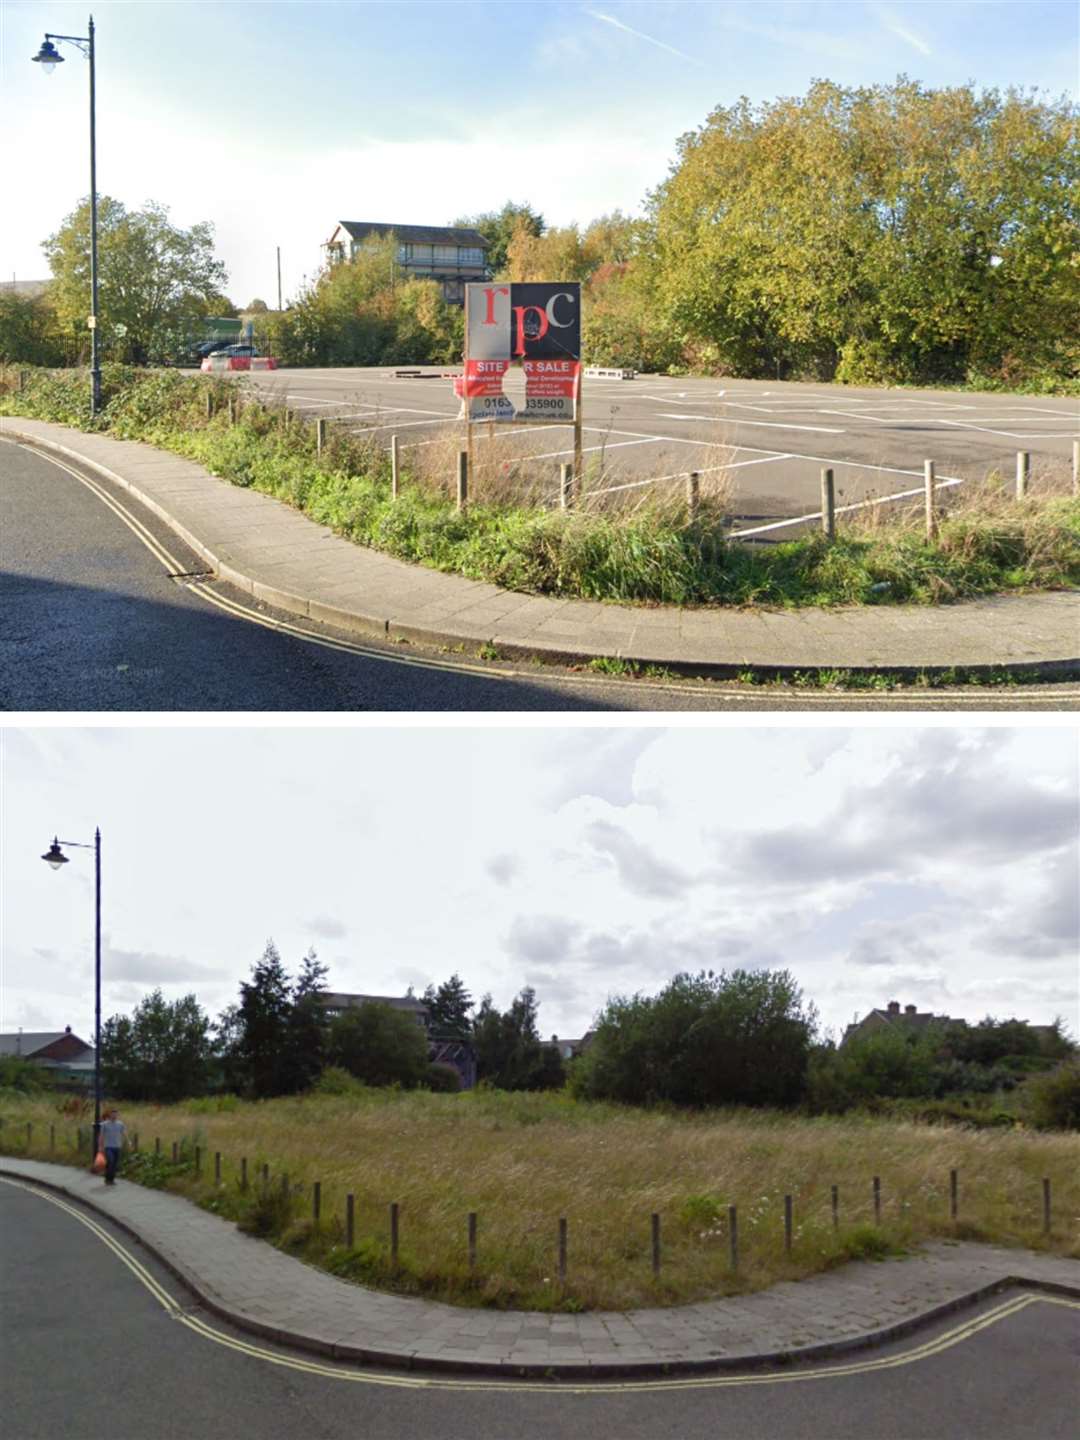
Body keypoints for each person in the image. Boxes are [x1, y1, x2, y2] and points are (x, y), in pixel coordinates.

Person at [99, 1107, 126, 1186]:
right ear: (110, 1115)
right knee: (110, 1161)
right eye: (113, 1114)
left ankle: (111, 1179)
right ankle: (107, 1178)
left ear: (117, 1115)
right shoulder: (104, 1124)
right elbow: (101, 1136)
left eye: (116, 1114)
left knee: (114, 1164)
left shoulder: (120, 1124)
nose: (114, 1116)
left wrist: (129, 1142)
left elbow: (124, 1133)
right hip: (108, 1147)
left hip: (117, 1146)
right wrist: (100, 1146)